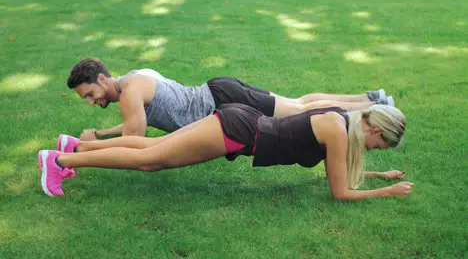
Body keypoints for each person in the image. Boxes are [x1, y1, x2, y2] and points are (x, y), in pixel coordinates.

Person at [38, 104, 412, 200]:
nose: (375, 150)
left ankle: (77, 146)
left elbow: (340, 172)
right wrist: (387, 191)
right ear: (375, 129)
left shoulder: (340, 122)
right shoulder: (339, 133)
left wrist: (379, 176)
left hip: (241, 124)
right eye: (380, 145)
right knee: (149, 160)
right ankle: (59, 161)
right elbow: (339, 191)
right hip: (237, 132)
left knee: (153, 147)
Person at [67, 58, 394, 140]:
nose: (92, 101)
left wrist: (90, 143)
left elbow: (134, 136)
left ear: (101, 79)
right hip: (221, 93)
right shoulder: (135, 79)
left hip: (223, 99)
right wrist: (101, 134)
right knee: (298, 103)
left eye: (90, 94)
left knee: (299, 110)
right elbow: (131, 124)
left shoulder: (129, 91)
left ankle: (373, 108)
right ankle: (369, 98)